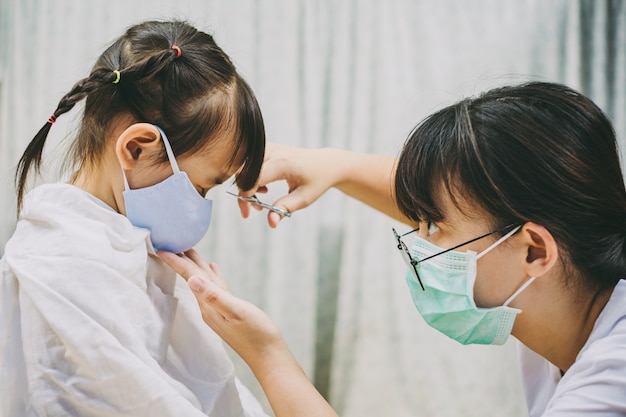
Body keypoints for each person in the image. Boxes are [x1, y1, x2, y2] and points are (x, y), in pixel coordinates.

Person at [159, 81, 626, 417]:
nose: (419, 244)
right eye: (417, 220)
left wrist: (266, 355)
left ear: (535, 251)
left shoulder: (610, 383)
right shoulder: (575, 283)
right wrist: (334, 165)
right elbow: (473, 214)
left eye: (433, 226)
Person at [0, 20, 269, 416]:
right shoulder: (61, 266)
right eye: (201, 187)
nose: (200, 205)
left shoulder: (125, 239)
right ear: (138, 148)